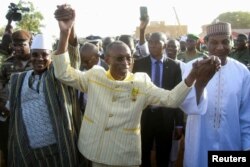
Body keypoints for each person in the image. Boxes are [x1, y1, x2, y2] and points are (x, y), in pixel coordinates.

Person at [52, 5, 220, 167]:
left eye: (129, 58)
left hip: (123, 155)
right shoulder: (95, 75)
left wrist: (192, 76)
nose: (126, 63)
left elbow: (172, 100)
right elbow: (63, 73)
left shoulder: (141, 82)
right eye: (119, 58)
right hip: (94, 149)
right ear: (107, 59)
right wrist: (65, 32)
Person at [7, 5, 83, 166]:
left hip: (59, 147)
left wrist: (67, 31)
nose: (39, 58)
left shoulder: (58, 75)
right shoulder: (19, 79)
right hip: (30, 150)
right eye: (35, 55)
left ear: (52, 57)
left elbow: (69, 57)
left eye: (44, 55)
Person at [183, 22, 250, 167]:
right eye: (214, 42)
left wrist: (247, 145)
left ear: (232, 42)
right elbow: (187, 106)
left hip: (230, 142)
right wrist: (200, 82)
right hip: (199, 142)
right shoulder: (191, 67)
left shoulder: (242, 72)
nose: (220, 47)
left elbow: (246, 114)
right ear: (205, 43)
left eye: (225, 42)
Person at [132, 33, 184, 167]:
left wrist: (179, 123)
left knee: (163, 154)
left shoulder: (174, 66)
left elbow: (177, 95)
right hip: (144, 116)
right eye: (150, 42)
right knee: (143, 153)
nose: (152, 45)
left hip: (165, 117)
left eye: (156, 42)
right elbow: (133, 90)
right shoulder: (139, 64)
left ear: (165, 45)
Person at [0, 29, 33, 167]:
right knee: (7, 145)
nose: (17, 48)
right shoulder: (7, 64)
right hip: (9, 114)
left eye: (22, 44)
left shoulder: (38, 61)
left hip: (31, 114)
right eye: (15, 44)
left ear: (30, 43)